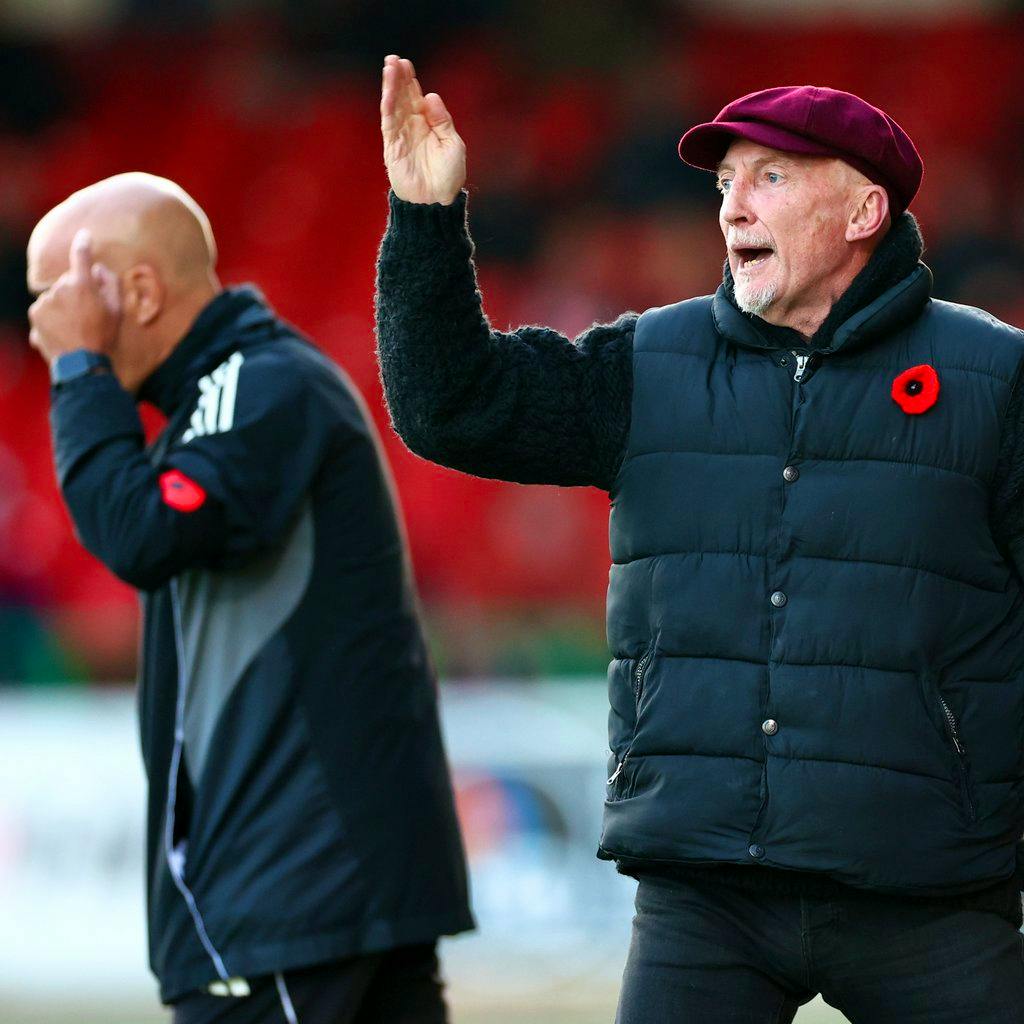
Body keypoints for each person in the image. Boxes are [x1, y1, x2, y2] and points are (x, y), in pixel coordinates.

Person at [376, 56, 1024, 1023]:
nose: (733, 209)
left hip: (927, 882)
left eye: (771, 177)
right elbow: (452, 408)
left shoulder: (994, 382)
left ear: (864, 212)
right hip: (706, 892)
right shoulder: (651, 364)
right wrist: (426, 219)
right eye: (725, 183)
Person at [27, 172, 472, 1024]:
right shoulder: (228, 398)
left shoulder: (260, 382)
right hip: (314, 893)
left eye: (57, 296)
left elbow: (142, 532)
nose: (45, 327)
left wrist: (81, 373)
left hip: (294, 897)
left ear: (139, 291)